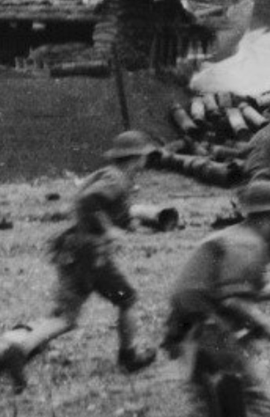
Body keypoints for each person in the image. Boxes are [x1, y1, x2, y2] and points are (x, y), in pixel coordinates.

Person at [160, 181, 270, 417]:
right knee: (258, 406)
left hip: (189, 332)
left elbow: (246, 290)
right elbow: (232, 299)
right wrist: (265, 323)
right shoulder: (248, 245)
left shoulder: (236, 237)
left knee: (212, 409)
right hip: (212, 335)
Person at [46, 130, 159, 373]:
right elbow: (88, 201)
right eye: (144, 155)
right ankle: (129, 357)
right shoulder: (116, 179)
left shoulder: (112, 175)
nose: (146, 160)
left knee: (66, 314)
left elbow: (111, 210)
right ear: (136, 157)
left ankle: (24, 345)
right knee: (128, 300)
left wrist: (138, 227)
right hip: (92, 253)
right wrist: (108, 229)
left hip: (75, 249)